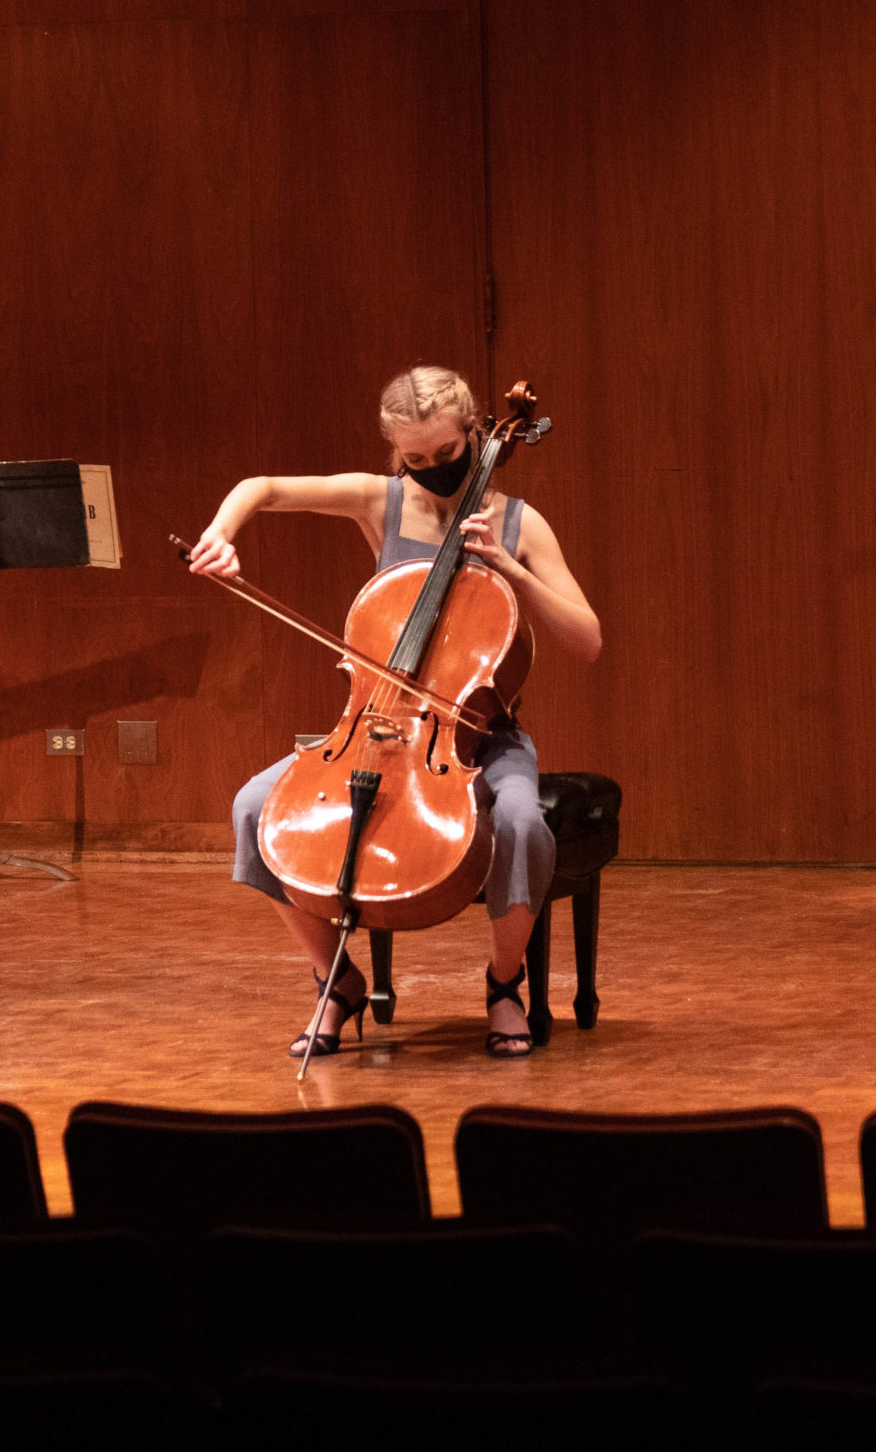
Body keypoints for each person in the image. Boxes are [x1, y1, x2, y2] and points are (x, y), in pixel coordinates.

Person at [189, 367, 603, 1059]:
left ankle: (505, 985)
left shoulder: (518, 521)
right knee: (254, 808)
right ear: (396, 454)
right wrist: (221, 532)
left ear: (475, 433)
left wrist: (513, 568)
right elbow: (260, 489)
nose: (434, 471)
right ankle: (335, 979)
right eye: (416, 460)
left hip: (479, 736)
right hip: (376, 722)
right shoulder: (376, 502)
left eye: (446, 455)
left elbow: (588, 639)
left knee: (522, 820)